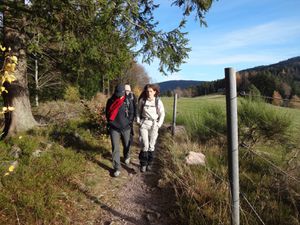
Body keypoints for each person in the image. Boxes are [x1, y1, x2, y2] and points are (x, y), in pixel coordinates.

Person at [105, 84, 134, 177]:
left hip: (126, 128)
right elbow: (107, 113)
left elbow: (131, 113)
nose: (119, 96)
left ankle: (127, 156)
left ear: (124, 92)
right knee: (115, 148)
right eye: (117, 94)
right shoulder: (110, 101)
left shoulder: (128, 100)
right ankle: (117, 168)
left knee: (126, 144)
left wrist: (128, 122)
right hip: (114, 128)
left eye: (121, 94)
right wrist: (110, 123)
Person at [137, 84, 165, 172]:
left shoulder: (158, 101)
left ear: (155, 92)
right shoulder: (142, 101)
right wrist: (138, 121)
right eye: (147, 91)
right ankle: (143, 164)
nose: (149, 93)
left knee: (151, 146)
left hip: (154, 125)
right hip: (144, 124)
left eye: (151, 91)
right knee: (145, 145)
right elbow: (138, 112)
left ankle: (150, 163)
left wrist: (159, 124)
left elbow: (162, 114)